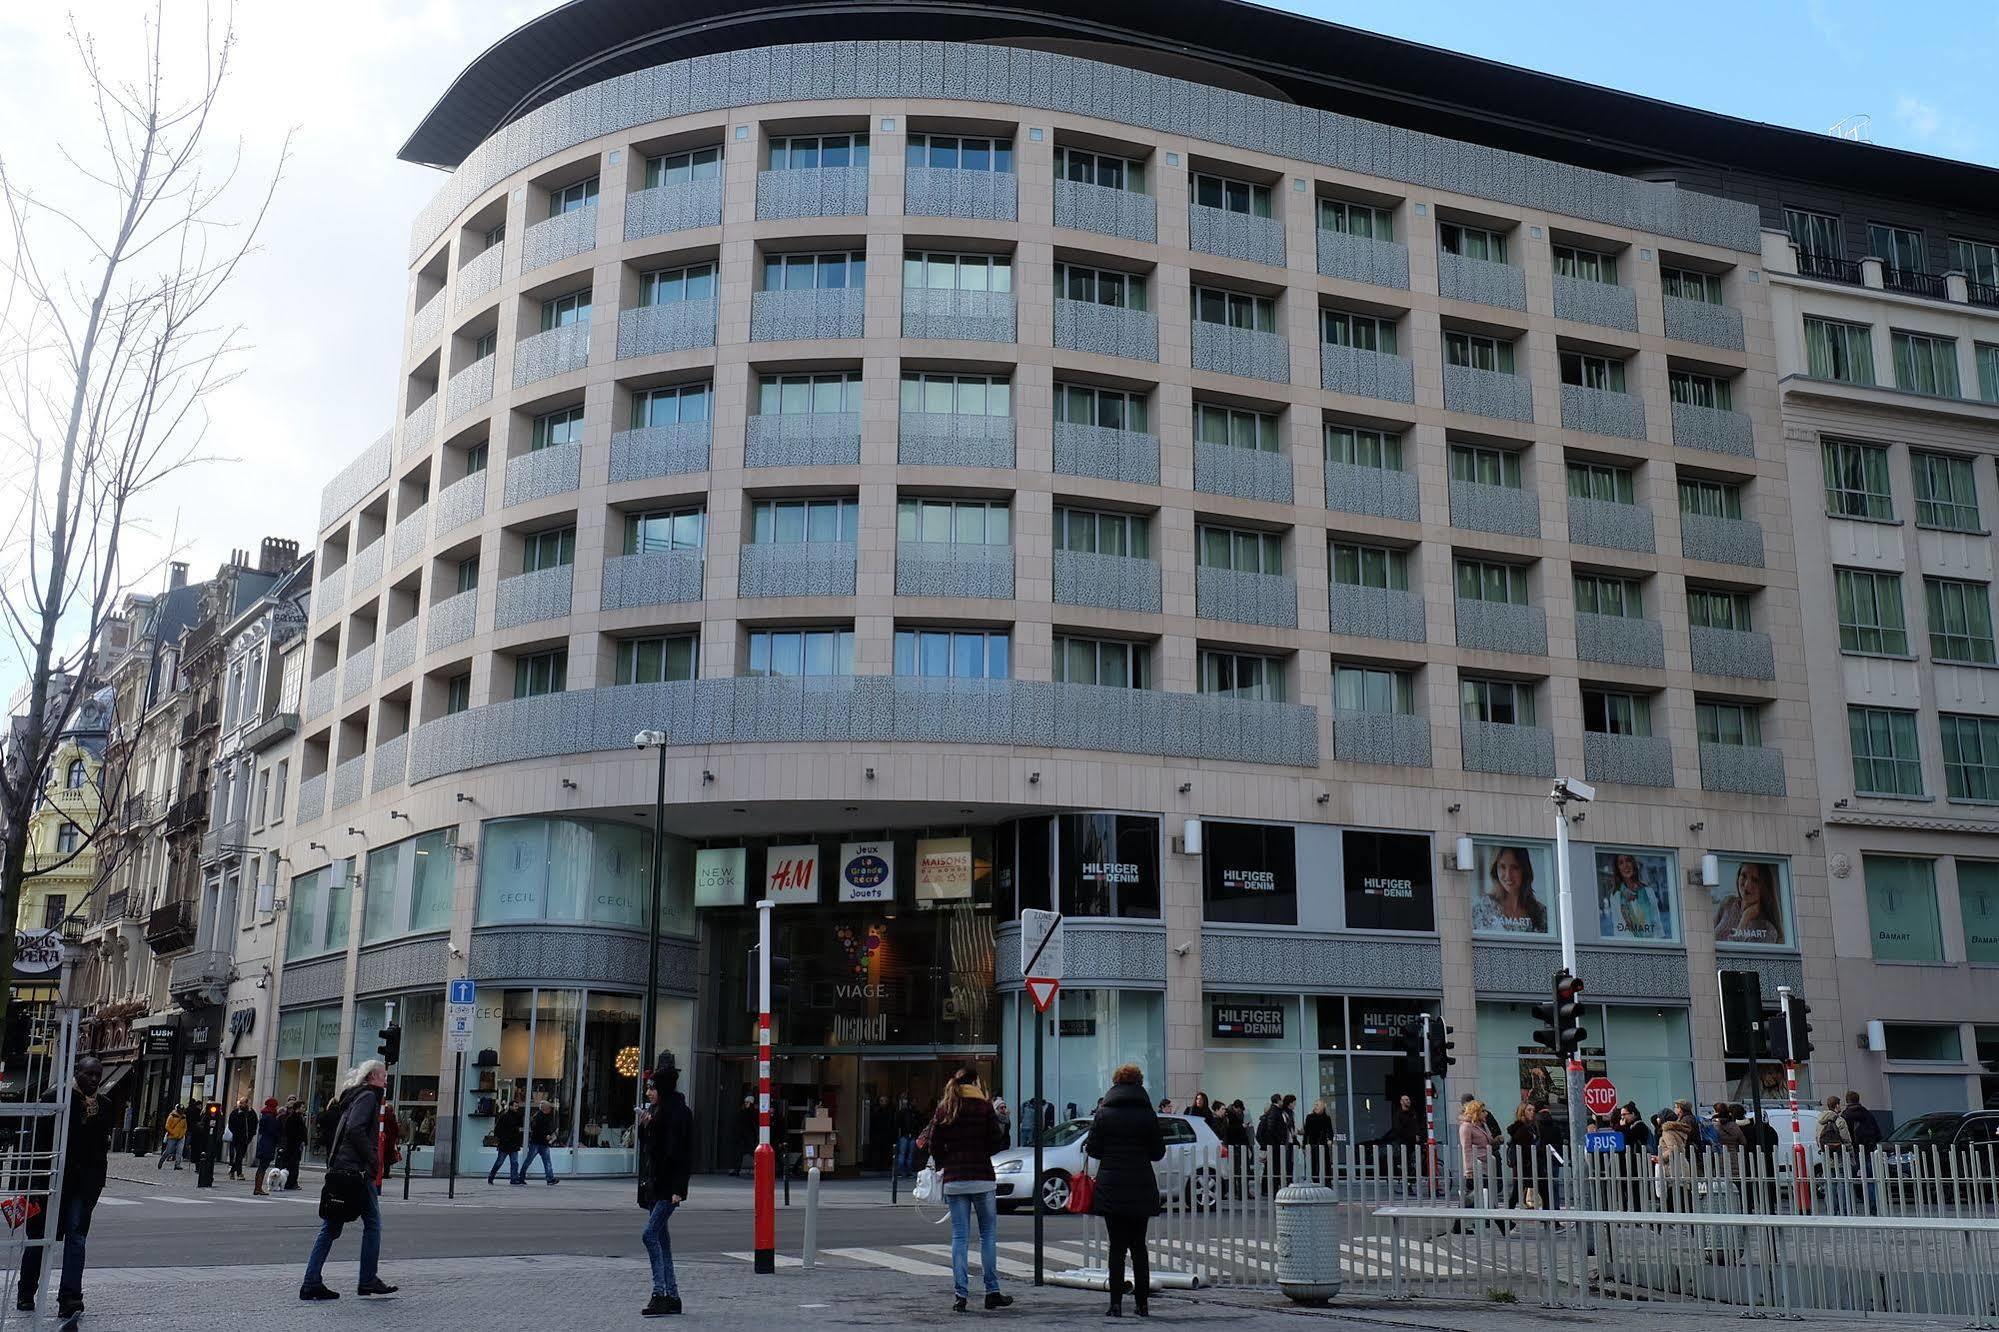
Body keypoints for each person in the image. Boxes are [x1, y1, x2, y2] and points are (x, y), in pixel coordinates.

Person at [16, 1055, 119, 1320]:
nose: (94, 1080)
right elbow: (35, 1142)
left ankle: (71, 1298)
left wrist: (96, 1184)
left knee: (77, 1239)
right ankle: (26, 1291)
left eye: (98, 1075)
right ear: (77, 1073)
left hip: (82, 1185)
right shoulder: (56, 1098)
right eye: (89, 1074)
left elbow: (100, 1150)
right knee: (39, 1239)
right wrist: (33, 1183)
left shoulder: (105, 1105)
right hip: (50, 1179)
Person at [299, 1061, 398, 1301]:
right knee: (373, 1224)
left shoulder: (355, 1096)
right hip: (356, 1171)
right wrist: (372, 1159)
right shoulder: (368, 1097)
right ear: (373, 1076)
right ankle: (367, 1279)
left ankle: (312, 1281)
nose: (387, 1080)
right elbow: (354, 1128)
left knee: (331, 1227)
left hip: (344, 1169)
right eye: (384, 1075)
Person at [918, 1066, 1013, 1314]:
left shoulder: (946, 1108)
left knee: (959, 1237)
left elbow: (934, 1145)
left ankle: (961, 1295)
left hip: (955, 1178)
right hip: (982, 1177)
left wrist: (947, 1160)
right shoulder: (984, 1107)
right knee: (987, 1236)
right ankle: (992, 1292)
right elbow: (996, 1141)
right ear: (976, 1082)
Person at [1085, 1064, 1166, 1318]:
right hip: (1140, 1184)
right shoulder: (1147, 1113)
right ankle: (1142, 1305)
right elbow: (1158, 1153)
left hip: (1112, 1186)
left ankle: (1115, 1304)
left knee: (1116, 1247)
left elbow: (1094, 1150)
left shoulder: (1104, 1112)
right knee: (1139, 1246)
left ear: (1116, 1083)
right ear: (1139, 1083)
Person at [639, 1055, 693, 1318]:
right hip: (656, 1184)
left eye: (652, 1088)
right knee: (662, 1240)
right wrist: (646, 1126)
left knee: (649, 1235)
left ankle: (660, 1293)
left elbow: (683, 1154)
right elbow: (651, 1149)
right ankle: (672, 1296)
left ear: (663, 1089)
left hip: (667, 1187)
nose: (648, 1092)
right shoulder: (658, 1114)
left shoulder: (679, 1115)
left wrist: (678, 1189)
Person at [1472, 846, 1548, 934]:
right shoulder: (1481, 908)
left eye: (1515, 867)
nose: (1508, 876)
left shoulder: (1541, 913)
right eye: (1502, 867)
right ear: (1495, 870)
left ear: (1524, 870)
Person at [1713, 861, 1784, 946]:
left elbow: (1733, 954)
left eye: (1755, 880)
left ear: (1764, 887)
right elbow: (1707, 935)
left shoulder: (1768, 930)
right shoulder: (1728, 902)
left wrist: (1745, 920)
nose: (1747, 885)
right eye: (1744, 875)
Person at [1454, 1099, 1494, 1232]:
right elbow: (1466, 1148)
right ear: (1476, 1112)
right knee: (1475, 1196)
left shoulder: (1481, 1125)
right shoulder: (1466, 1127)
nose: (1486, 1113)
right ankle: (1503, 1224)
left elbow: (1489, 1140)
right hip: (1475, 1166)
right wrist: (1469, 1169)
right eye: (1482, 1111)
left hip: (1485, 1165)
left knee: (1478, 1195)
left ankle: (1458, 1226)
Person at [521, 1098, 560, 1185]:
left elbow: (546, 1128)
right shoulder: (537, 1117)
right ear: (544, 1109)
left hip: (543, 1143)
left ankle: (550, 1179)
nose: (550, 1110)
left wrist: (549, 1134)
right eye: (549, 1108)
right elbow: (536, 1129)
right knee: (530, 1161)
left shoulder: (545, 1116)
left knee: (547, 1162)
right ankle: (521, 1177)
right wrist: (546, 1135)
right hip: (536, 1143)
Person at [488, 1100, 524, 1185]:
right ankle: (491, 1176)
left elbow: (520, 1128)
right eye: (515, 1106)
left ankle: (514, 1179)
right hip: (505, 1143)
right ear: (510, 1106)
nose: (516, 1108)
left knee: (514, 1162)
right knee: (500, 1162)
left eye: (517, 1106)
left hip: (513, 1143)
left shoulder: (518, 1116)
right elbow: (497, 1130)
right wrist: (503, 1138)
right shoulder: (504, 1116)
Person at [253, 1098, 282, 1196]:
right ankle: (258, 1188)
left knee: (262, 1167)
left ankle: (258, 1187)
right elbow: (273, 1131)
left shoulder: (264, 1116)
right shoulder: (271, 1117)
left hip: (263, 1142)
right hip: (268, 1144)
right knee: (263, 1167)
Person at [1301, 1098, 1335, 1181]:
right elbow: (1306, 1133)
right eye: (1315, 1105)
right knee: (1314, 1163)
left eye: (1318, 1105)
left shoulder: (1326, 1118)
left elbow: (1330, 1130)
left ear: (1323, 1106)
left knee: (1325, 1163)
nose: (1315, 1107)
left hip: (1323, 1143)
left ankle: (1327, 1181)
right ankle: (1315, 1180)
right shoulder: (1309, 1117)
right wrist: (1304, 1144)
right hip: (1313, 1144)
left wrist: (1330, 1139)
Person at [279, 1097, 309, 1190]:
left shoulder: (299, 1117)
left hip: (296, 1144)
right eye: (302, 1107)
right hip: (293, 1145)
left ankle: (292, 1182)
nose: (304, 1109)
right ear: (298, 1108)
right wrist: (300, 1141)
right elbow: (291, 1133)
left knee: (294, 1165)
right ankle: (291, 1183)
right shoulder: (293, 1118)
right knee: (293, 1165)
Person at [227, 1095, 257, 1181]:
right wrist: (235, 1133)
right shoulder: (236, 1112)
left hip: (247, 1138)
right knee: (239, 1155)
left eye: (243, 1103)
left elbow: (255, 1123)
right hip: (237, 1138)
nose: (241, 1104)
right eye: (241, 1102)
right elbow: (231, 1124)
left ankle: (232, 1171)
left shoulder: (251, 1113)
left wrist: (252, 1134)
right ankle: (239, 1173)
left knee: (241, 1155)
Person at [894, 1093, 923, 1176]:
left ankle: (904, 1171)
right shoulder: (909, 1112)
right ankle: (903, 1171)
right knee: (906, 1154)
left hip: (908, 1134)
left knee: (906, 1154)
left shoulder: (911, 1112)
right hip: (906, 1134)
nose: (914, 1103)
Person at [157, 1102, 187, 1170]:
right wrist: (173, 1132)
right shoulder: (172, 1116)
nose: (181, 1111)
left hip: (181, 1137)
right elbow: (167, 1126)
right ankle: (161, 1161)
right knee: (168, 1150)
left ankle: (177, 1165)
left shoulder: (184, 1117)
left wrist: (182, 1133)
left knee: (180, 1151)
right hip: (172, 1137)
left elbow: (185, 1127)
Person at [869, 1095, 893, 1172]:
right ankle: (877, 1166)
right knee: (877, 1151)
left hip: (886, 1134)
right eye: (882, 1101)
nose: (884, 1103)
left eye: (885, 1101)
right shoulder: (876, 1111)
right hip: (877, 1134)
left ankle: (884, 1165)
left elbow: (891, 1123)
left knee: (885, 1151)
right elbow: (873, 1123)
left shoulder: (890, 1111)